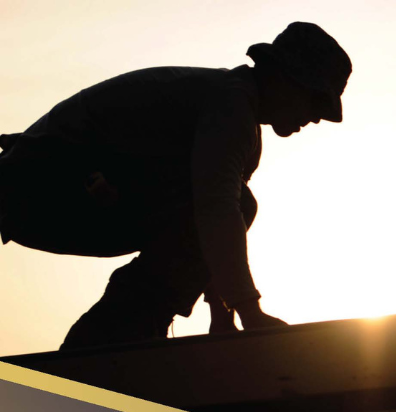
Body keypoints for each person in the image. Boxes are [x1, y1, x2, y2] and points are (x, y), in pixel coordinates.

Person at [0, 22, 352, 349]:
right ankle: (111, 339)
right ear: (287, 80)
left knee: (236, 203)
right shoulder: (230, 105)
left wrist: (222, 317)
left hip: (68, 187)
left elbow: (210, 222)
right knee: (238, 204)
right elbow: (216, 210)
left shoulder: (235, 111)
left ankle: (118, 332)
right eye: (316, 101)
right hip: (41, 182)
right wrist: (250, 313)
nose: (317, 117)